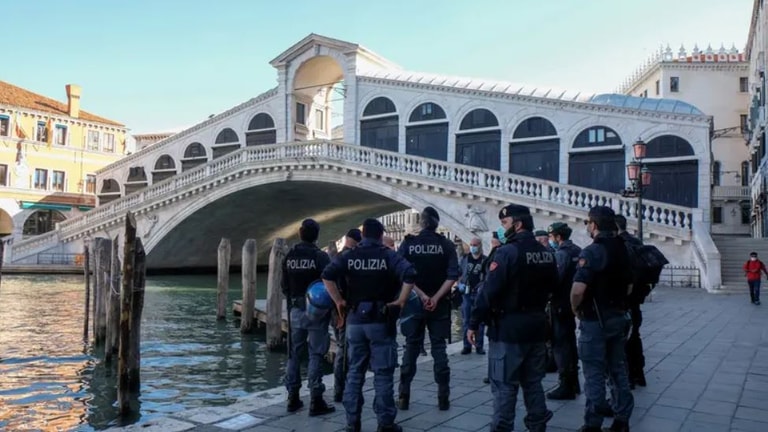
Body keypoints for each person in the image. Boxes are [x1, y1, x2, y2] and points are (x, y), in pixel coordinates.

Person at [468, 204, 557, 432]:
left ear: (517, 225)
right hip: (537, 326)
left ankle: (502, 428)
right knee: (533, 383)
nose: (502, 228)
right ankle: (537, 426)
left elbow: (488, 292)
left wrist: (473, 323)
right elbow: (554, 287)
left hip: (509, 329)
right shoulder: (546, 253)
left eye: (504, 223)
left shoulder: (507, 252)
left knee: (504, 386)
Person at [322, 218, 417, 432]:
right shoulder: (388, 255)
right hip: (381, 320)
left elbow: (327, 275)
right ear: (381, 235)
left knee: (355, 373)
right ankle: (385, 423)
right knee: (383, 374)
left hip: (355, 320)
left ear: (363, 234)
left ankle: (352, 422)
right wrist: (401, 301)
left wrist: (339, 301)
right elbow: (410, 274)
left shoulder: (350, 255)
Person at [571, 206, 634, 432]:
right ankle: (622, 419)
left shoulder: (592, 252)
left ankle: (593, 423)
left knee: (594, 373)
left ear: (594, 225)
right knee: (618, 370)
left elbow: (578, 290)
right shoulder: (624, 248)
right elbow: (629, 286)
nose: (587, 227)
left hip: (595, 319)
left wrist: (575, 309)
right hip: (618, 315)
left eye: (588, 222)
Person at [397, 206, 459, 411]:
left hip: (415, 303)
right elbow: (453, 275)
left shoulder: (409, 244)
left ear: (422, 223)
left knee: (411, 347)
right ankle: (443, 397)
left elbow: (403, 274)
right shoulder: (446, 245)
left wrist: (422, 295)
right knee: (439, 348)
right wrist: (435, 297)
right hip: (439, 304)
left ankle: (403, 395)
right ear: (437, 224)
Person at [281, 218, 335, 416]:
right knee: (316, 353)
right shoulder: (320, 256)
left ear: (300, 234)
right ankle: (315, 399)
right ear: (316, 236)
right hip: (316, 310)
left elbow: (284, 286)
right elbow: (330, 283)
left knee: (294, 353)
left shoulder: (290, 256)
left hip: (295, 310)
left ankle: (292, 397)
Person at [545, 222, 582, 400]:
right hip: (571, 304)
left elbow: (554, 280)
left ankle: (565, 384)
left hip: (559, 303)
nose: (550, 240)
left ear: (558, 237)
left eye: (551, 237)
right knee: (570, 342)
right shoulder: (578, 250)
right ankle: (574, 382)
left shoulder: (561, 254)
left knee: (560, 344)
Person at [615, 214, 647, 389]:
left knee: (622, 340)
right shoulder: (637, 242)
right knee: (635, 336)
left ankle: (627, 377)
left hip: (623, 300)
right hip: (636, 299)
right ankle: (638, 374)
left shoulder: (619, 245)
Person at [331, 228, 362, 402]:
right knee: (346, 350)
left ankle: (339, 388)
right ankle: (342, 389)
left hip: (336, 309)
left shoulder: (337, 258)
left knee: (342, 348)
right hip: (348, 309)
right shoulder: (352, 258)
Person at [459, 236, 486, 355]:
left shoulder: (485, 260)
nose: (473, 247)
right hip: (466, 293)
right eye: (471, 245)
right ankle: (467, 346)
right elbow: (458, 272)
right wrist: (459, 283)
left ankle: (479, 346)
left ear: (480, 246)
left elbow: (488, 276)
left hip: (479, 293)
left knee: (480, 321)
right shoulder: (464, 259)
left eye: (475, 245)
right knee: (466, 320)